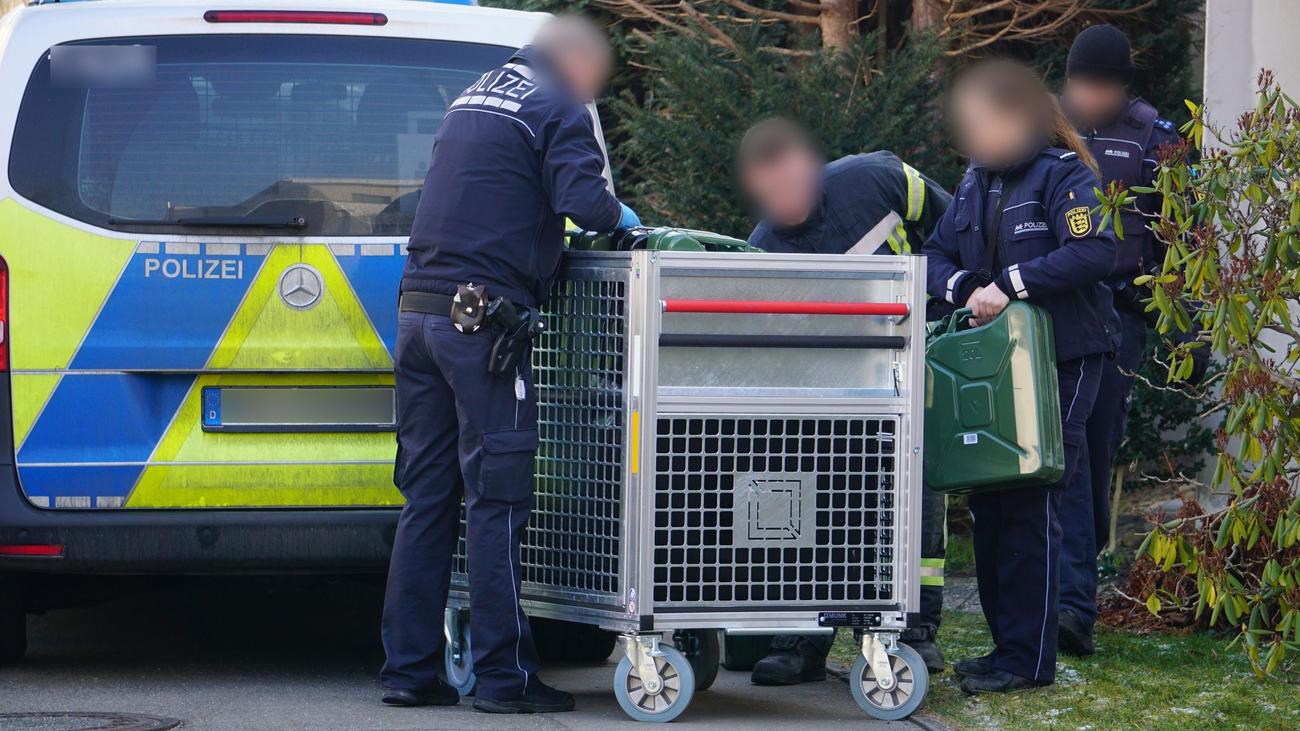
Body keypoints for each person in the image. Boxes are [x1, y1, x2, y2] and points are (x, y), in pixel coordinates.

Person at [380, 16, 640, 713]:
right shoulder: (558, 104)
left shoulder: (473, 94)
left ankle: (408, 671)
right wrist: (625, 218)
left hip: (418, 314)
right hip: (481, 324)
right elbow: (587, 205)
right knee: (496, 500)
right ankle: (504, 679)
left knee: (427, 498)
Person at [923, 59, 1119, 694]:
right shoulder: (974, 183)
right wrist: (963, 287)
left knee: (1033, 501)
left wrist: (1010, 284)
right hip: (997, 367)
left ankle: (1028, 662)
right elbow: (935, 254)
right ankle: (1006, 647)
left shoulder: (1063, 175)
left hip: (1065, 358)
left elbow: (1096, 250)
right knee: (991, 501)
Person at [737, 117, 953, 683]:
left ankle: (913, 631)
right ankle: (801, 637)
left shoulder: (877, 179)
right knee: (817, 501)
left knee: (919, 501)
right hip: (831, 394)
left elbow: (955, 228)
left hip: (914, 367)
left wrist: (949, 300)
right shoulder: (762, 252)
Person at [1058, 24, 1180, 657]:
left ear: (1122, 87)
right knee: (1055, 451)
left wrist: (1169, 313)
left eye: (1100, 85)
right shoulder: (1048, 130)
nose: (1089, 96)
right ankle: (1056, 593)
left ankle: (1076, 594)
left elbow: (1181, 235)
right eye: (1080, 84)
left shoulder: (1155, 139)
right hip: (1052, 308)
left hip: (1118, 316)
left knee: (1092, 449)